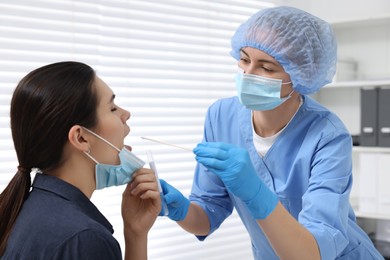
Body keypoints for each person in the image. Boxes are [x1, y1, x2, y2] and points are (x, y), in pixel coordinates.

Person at [159, 6, 384, 260]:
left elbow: (313, 252)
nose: (248, 74)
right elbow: (207, 215)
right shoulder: (221, 117)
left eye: (266, 68)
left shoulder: (328, 136)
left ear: (301, 74)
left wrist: (255, 192)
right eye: (244, 59)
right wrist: (178, 209)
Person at [0, 61, 161, 259]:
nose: (126, 114)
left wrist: (136, 233)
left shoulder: (27, 208)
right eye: (112, 108)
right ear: (81, 138)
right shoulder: (85, 239)